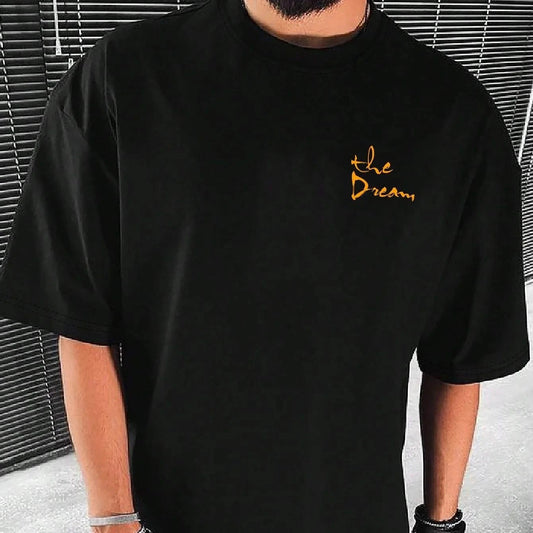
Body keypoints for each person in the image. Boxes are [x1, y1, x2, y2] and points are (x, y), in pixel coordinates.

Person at [0, 0, 529, 531]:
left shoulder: (452, 113)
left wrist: (440, 522)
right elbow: (81, 318)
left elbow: (460, 353)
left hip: (358, 512)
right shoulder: (124, 77)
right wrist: (114, 521)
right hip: (172, 515)